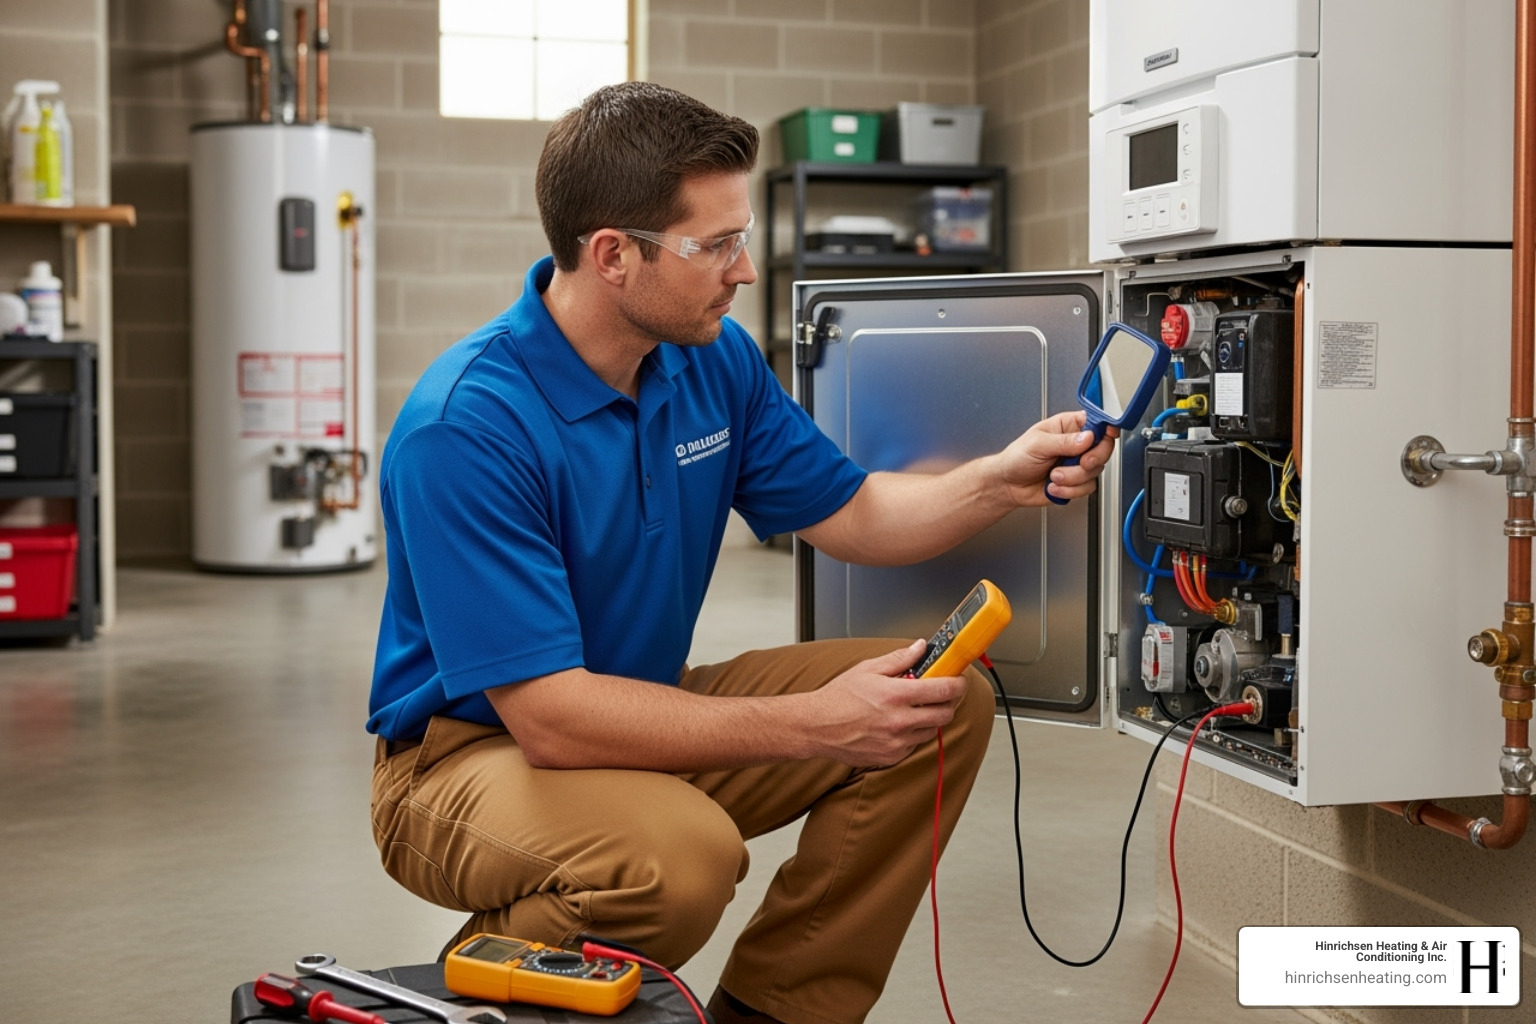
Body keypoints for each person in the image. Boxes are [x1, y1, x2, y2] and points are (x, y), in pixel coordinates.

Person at [367, 82, 1115, 1024]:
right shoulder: (467, 428)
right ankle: (476, 996)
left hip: (642, 706)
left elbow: (854, 513)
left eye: (741, 235)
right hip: (468, 757)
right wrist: (816, 724)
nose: (747, 269)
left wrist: (1001, 479)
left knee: (939, 698)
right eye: (715, 245)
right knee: (679, 861)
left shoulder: (706, 357)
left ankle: (773, 1013)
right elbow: (553, 718)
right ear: (613, 257)